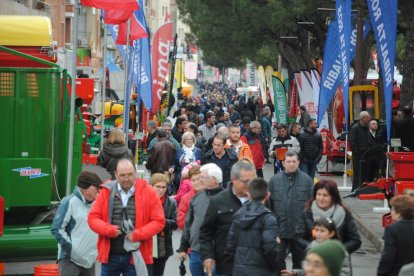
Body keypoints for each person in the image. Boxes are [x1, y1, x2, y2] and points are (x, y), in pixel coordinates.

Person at [88, 158, 165, 276]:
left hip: (136, 255)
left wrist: (137, 234)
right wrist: (109, 230)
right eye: (122, 175)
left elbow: (159, 221)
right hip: (110, 255)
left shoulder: (148, 192)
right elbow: (93, 218)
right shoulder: (106, 191)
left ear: (135, 173)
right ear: (115, 175)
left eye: (130, 174)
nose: (126, 178)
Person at [199, 159, 257, 276]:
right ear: (234, 180)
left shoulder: (261, 199)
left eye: (253, 181)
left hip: (255, 266)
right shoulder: (218, 201)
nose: (250, 185)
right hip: (228, 266)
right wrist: (208, 256)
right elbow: (205, 232)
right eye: (246, 181)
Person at [295, 179, 361, 267]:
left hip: (337, 263)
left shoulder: (344, 213)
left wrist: (338, 250)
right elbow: (299, 237)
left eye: (325, 195)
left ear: (333, 197)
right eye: (318, 194)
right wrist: (313, 248)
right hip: (313, 262)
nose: (321, 198)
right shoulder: (307, 213)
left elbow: (355, 240)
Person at [268, 150, 313, 270]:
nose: (291, 164)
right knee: (276, 262)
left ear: (298, 162)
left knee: (300, 266)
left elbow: (311, 207)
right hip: (280, 231)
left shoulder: (307, 181)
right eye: (288, 161)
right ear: (283, 163)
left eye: (294, 161)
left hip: (300, 232)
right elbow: (269, 207)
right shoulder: (274, 181)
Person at [227, 178, 282, 275]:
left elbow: (231, 245)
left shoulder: (238, 215)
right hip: (262, 270)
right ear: (268, 195)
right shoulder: (268, 218)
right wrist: (276, 264)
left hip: (240, 270)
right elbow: (270, 248)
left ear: (248, 195)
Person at [51, 171, 102, 276]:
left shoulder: (97, 204)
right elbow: (56, 228)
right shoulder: (69, 202)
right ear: (85, 187)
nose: (98, 191)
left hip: (89, 260)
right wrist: (71, 249)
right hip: (70, 261)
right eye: (96, 188)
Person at [177, 163, 224, 276]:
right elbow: (188, 224)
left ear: (214, 179)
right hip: (196, 251)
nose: (199, 181)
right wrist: (183, 247)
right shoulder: (196, 198)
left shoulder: (226, 198)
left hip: (217, 254)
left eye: (202, 178)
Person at [283, 218, 351, 276]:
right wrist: (296, 273)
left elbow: (344, 272)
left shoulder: (338, 251)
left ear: (331, 233)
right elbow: (309, 270)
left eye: (322, 231)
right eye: (316, 230)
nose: (318, 233)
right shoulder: (311, 246)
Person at [378, 195, 414, 276]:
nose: (391, 212)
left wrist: (381, 272)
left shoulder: (392, 229)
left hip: (396, 272)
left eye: (393, 209)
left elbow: (388, 257)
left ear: (399, 213)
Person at [150, 173, 177, 276]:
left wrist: (161, 222)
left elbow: (175, 223)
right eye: (158, 187)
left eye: (164, 187)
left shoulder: (171, 202)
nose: (161, 190)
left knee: (158, 272)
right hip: (146, 241)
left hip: (163, 242)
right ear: (151, 186)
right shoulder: (145, 200)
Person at [349, 111, 371, 191]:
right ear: (363, 118)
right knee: (357, 173)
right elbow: (352, 142)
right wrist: (357, 152)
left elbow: (368, 139)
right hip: (358, 154)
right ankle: (355, 189)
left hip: (366, 154)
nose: (369, 119)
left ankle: (363, 189)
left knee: (364, 172)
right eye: (367, 117)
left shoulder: (366, 127)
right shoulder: (355, 128)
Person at [177, 165, 202, 229]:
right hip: (191, 234)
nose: (196, 182)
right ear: (190, 181)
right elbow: (181, 221)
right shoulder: (185, 199)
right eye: (193, 180)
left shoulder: (211, 194)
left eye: (199, 179)